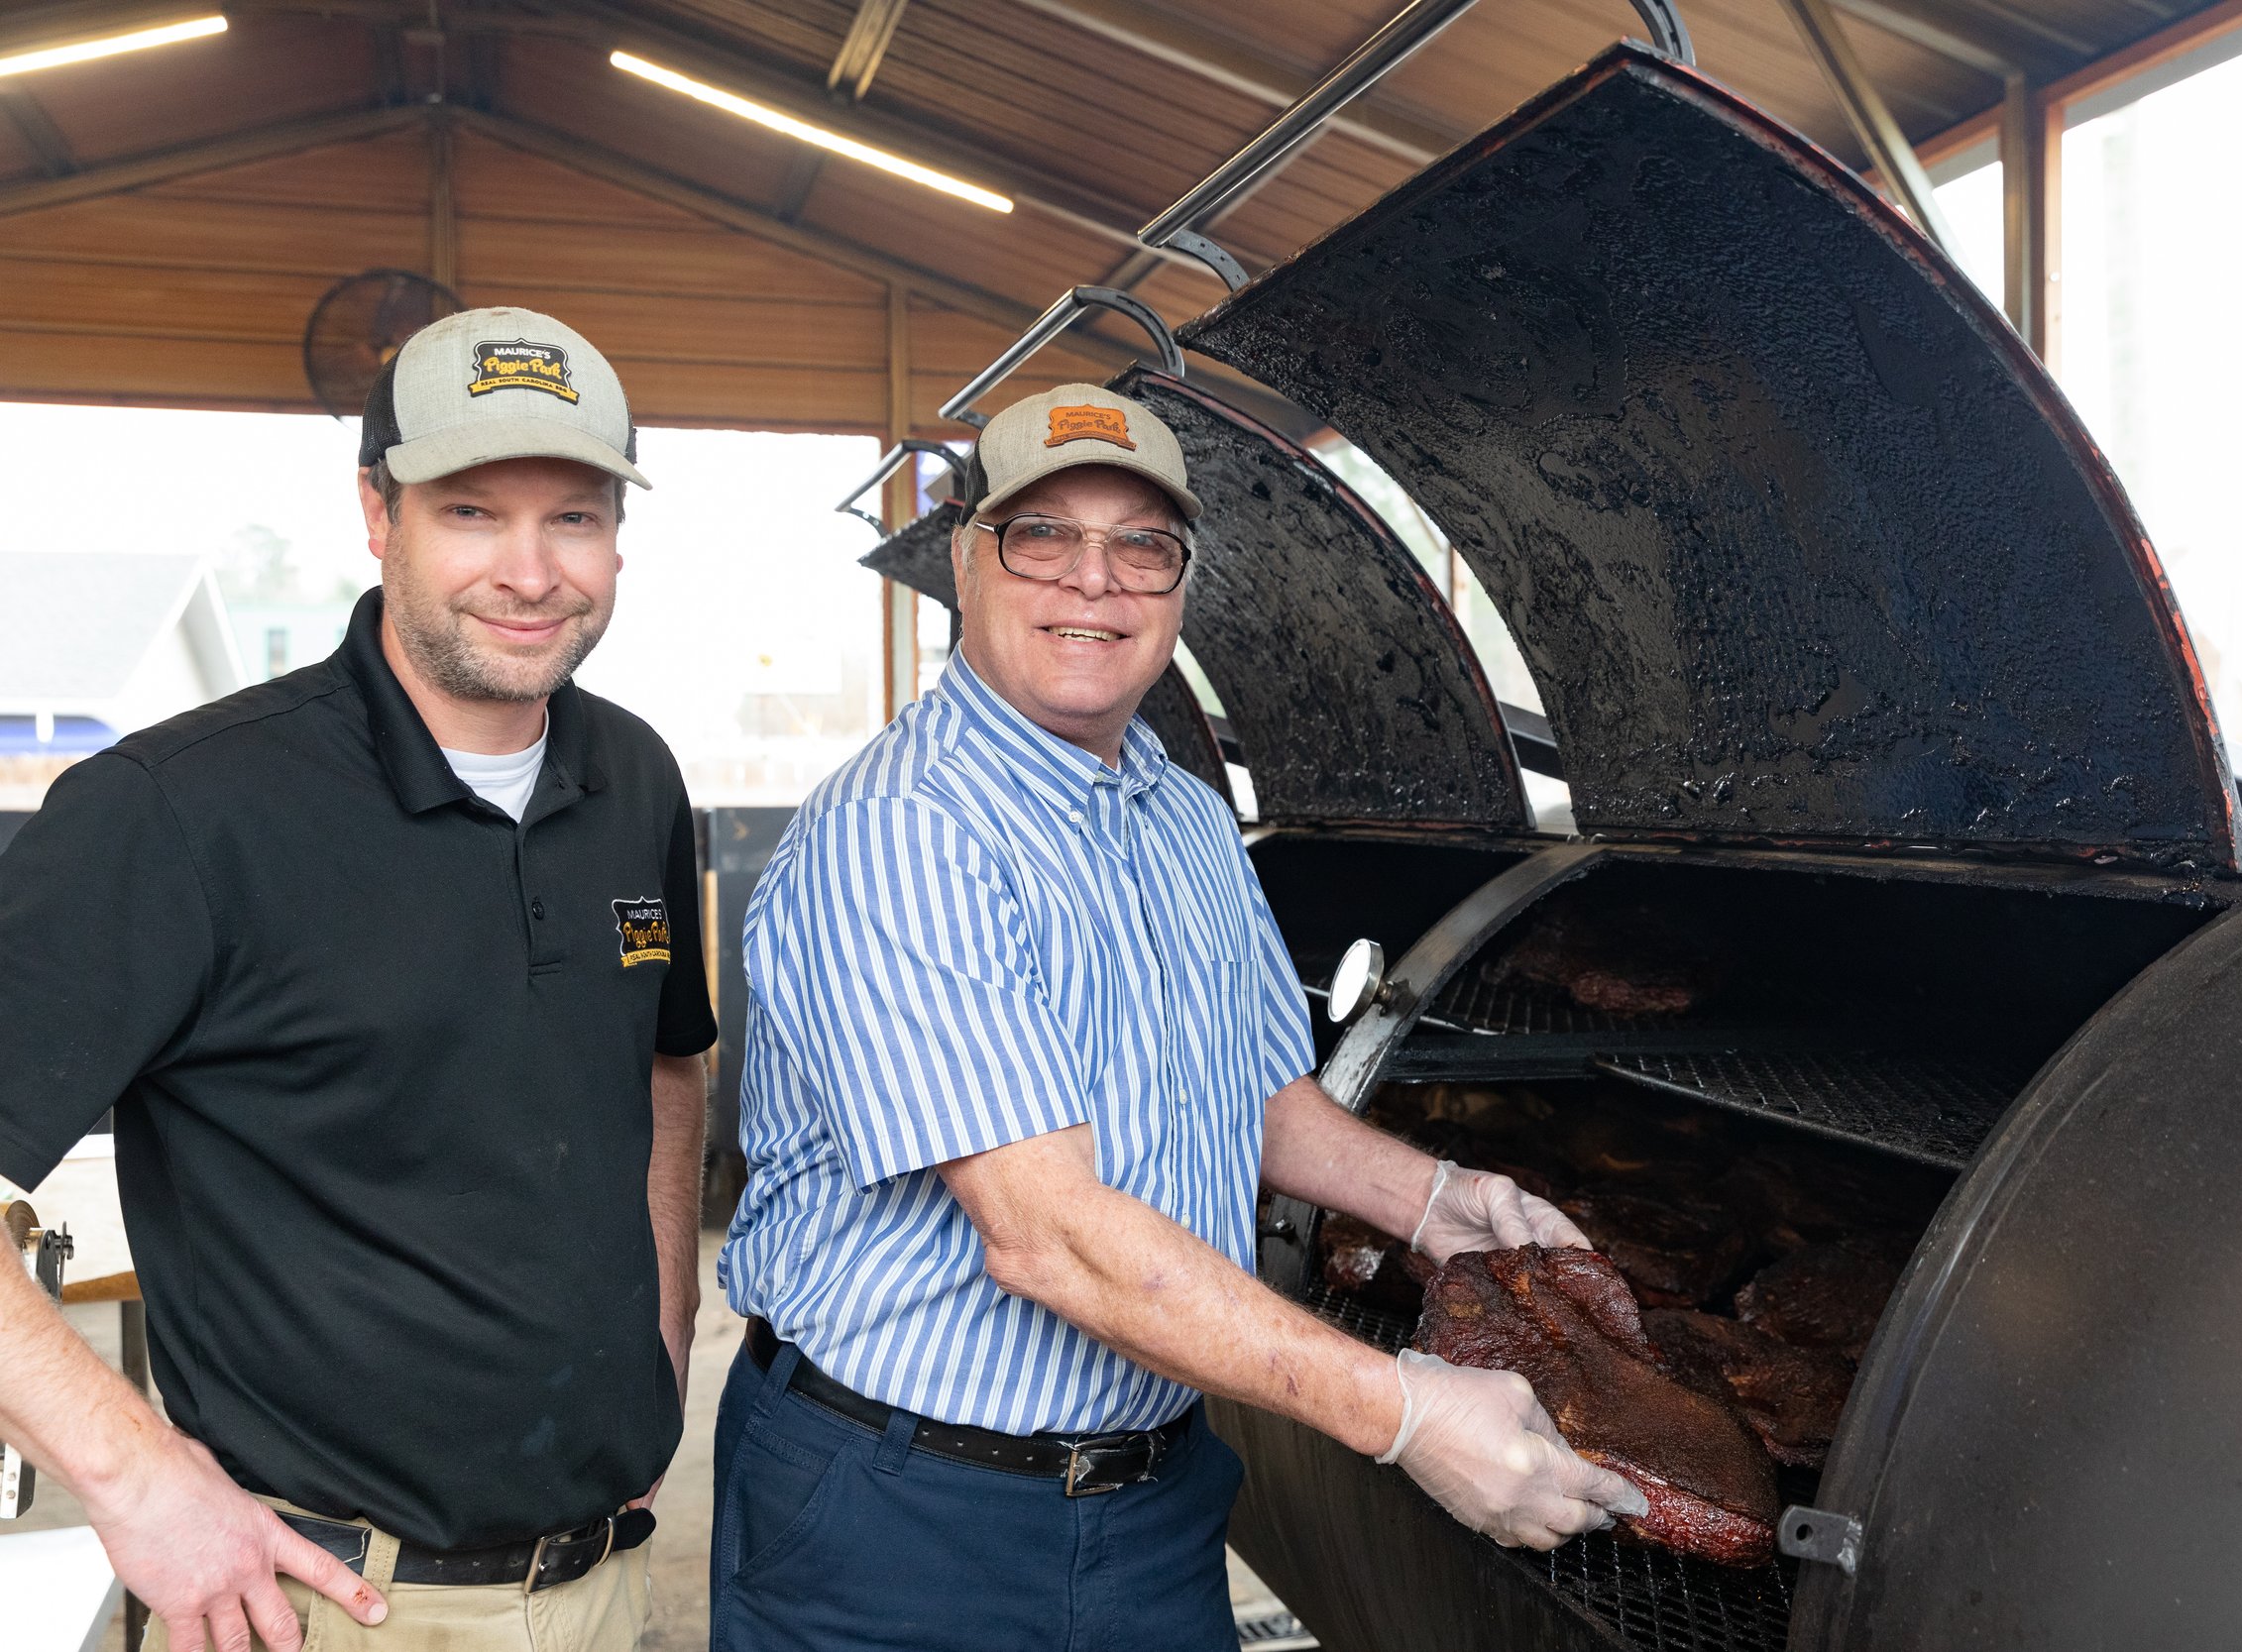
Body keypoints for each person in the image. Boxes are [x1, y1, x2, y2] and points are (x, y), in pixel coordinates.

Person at [713, 382, 1645, 1650]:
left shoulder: (1183, 814)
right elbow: (1047, 1237)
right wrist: (1404, 1410)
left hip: (1154, 1490)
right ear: (965, 561)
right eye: (1042, 534)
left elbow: (1261, 1095)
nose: (1094, 580)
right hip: (907, 1510)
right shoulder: (907, 830)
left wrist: (1434, 1200)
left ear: (1180, 584)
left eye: (1141, 546)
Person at [0, 307, 716, 1652]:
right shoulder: (176, 812)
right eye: (470, 512)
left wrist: (668, 1328)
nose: (530, 568)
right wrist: (134, 1472)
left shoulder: (635, 779)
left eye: (572, 515)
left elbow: (666, 1060)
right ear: (376, 515)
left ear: (617, 535)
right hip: (317, 1602)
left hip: (608, 1583)